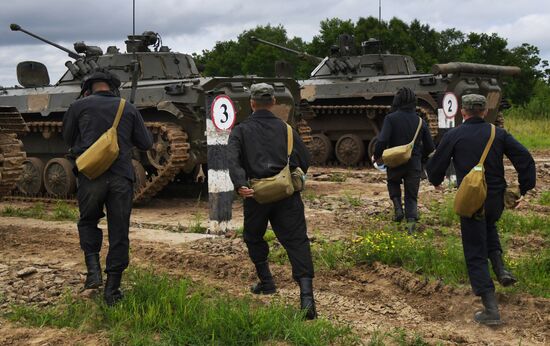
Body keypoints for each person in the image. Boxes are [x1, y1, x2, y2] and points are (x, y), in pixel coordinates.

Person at [426, 94, 536, 325]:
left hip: (472, 198)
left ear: (463, 112)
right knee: (489, 226)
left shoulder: (454, 135)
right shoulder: (498, 134)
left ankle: (490, 310)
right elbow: (525, 158)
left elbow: (436, 164)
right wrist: (525, 188)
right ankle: (501, 269)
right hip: (495, 199)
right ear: (485, 112)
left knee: (474, 250)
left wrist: (435, 180)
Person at [62, 69, 153, 306]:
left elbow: (68, 138)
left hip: (91, 176)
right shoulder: (128, 107)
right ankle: (112, 291)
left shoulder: (78, 107)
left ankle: (93, 271)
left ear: (88, 87)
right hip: (121, 178)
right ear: (112, 87)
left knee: (88, 221)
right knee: (119, 231)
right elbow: (146, 143)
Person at [227, 83, 317, 319]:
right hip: (286, 194)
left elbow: (233, 160)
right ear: (274, 102)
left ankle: (267, 282)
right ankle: (307, 299)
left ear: (252, 103)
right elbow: (305, 159)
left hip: (256, 195)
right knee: (297, 241)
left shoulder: (241, 130)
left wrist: (240, 184)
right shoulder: (286, 130)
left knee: (253, 237)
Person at [372, 87, 435, 233]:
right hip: (413, 163)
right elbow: (430, 146)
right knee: (411, 194)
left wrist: (377, 155)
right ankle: (411, 226)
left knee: (393, 182)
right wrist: (421, 158)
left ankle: (398, 209)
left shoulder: (391, 118)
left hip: (395, 160)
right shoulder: (420, 121)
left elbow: (382, 140)